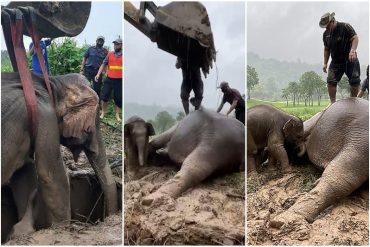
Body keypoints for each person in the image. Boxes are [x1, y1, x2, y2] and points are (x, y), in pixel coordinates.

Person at [320, 12, 361, 103]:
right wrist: (325, 63)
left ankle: (353, 101)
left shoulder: (345, 27)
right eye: (325, 27)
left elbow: (355, 38)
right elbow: (326, 49)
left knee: (355, 80)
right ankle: (332, 103)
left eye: (327, 26)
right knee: (330, 81)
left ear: (333, 21)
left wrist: (352, 50)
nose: (326, 28)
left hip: (350, 58)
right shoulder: (326, 35)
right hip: (336, 61)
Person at [95, 38, 122, 122]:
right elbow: (103, 64)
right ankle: (103, 112)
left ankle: (117, 115)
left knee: (118, 99)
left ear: (121, 45)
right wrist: (98, 74)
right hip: (109, 79)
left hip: (120, 80)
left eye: (117, 44)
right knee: (105, 96)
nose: (115, 46)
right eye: (114, 44)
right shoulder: (110, 54)